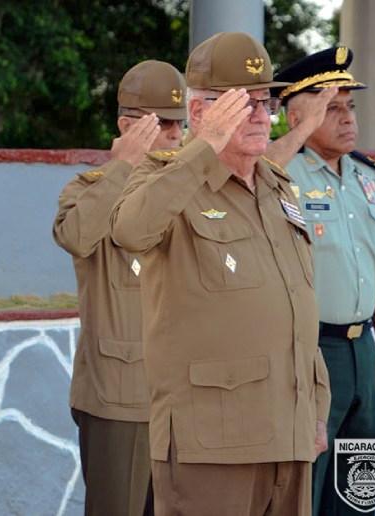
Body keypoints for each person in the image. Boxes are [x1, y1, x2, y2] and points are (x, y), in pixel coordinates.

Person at [109, 32, 331, 515]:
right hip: (212, 445)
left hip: (288, 436)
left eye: (265, 101)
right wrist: (205, 145)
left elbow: (297, 302)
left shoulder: (276, 187)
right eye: (241, 103)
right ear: (199, 113)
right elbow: (130, 230)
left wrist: (315, 409)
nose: (260, 115)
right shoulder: (163, 178)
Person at [265, 47, 375, 516]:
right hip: (310, 353)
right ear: (297, 118)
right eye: (332, 108)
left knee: (359, 490)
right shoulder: (281, 173)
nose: (348, 119)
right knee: (307, 487)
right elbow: (246, 173)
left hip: (362, 349)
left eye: (350, 107)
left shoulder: (370, 178)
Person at [53, 59, 186, 516]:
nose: (174, 133)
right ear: (127, 125)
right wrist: (124, 165)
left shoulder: (190, 189)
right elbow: (75, 235)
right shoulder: (91, 189)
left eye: (179, 123)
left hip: (186, 398)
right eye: (162, 123)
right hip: (120, 399)